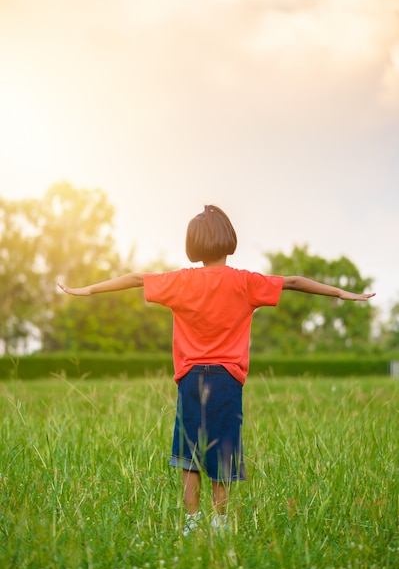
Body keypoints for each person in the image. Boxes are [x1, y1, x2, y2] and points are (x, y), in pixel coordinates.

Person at [57, 205, 375, 535]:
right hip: (227, 380)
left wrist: (89, 289)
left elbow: (137, 279)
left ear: (193, 244)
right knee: (223, 450)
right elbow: (294, 281)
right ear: (229, 240)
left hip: (191, 379)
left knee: (188, 453)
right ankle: (220, 522)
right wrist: (341, 293)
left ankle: (192, 522)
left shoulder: (180, 281)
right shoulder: (245, 282)